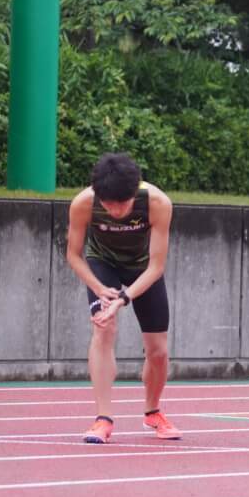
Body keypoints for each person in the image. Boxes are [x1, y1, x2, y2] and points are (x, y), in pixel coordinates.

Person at [65, 152, 179, 444]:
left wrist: (124, 298)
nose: (115, 211)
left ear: (134, 192)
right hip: (102, 264)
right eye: (108, 204)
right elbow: (73, 255)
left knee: (158, 351)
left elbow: (156, 266)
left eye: (122, 204)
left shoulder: (157, 203)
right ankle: (103, 419)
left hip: (143, 268)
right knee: (104, 328)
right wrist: (98, 287)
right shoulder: (84, 203)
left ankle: (152, 411)